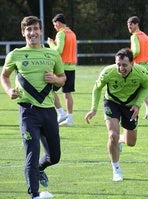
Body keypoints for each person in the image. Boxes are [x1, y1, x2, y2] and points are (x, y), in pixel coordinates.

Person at [0, 16, 66, 199]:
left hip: (48, 111)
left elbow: (62, 78)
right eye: (28, 30)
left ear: (41, 31)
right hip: (28, 112)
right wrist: (8, 91)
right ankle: (34, 195)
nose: (32, 33)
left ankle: (40, 168)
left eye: (35, 29)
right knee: (32, 152)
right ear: (23, 32)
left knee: (55, 156)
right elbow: (4, 76)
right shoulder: (16, 54)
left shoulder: (52, 54)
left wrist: (55, 80)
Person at [84, 48, 148, 181]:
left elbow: (145, 86)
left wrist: (137, 104)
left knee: (131, 143)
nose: (121, 68)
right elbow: (97, 88)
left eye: (124, 65)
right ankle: (116, 169)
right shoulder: (108, 72)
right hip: (112, 102)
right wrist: (93, 109)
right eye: (118, 64)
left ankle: (121, 139)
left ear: (133, 63)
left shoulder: (142, 73)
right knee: (112, 134)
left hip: (130, 105)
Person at [47, 13, 77, 126]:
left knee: (50, 89)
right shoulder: (72, 33)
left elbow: (58, 51)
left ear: (58, 23)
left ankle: (60, 112)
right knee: (67, 93)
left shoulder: (61, 34)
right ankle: (69, 118)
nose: (55, 27)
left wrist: (50, 43)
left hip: (61, 67)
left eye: (55, 24)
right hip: (71, 66)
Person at [127, 16, 148, 119]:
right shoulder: (145, 36)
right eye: (128, 25)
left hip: (138, 66)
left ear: (136, 24)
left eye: (131, 24)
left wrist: (128, 59)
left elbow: (136, 51)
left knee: (133, 89)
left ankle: (132, 112)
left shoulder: (135, 36)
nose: (129, 26)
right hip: (147, 66)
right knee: (144, 89)